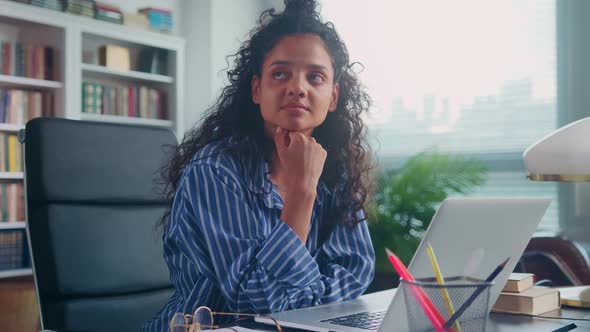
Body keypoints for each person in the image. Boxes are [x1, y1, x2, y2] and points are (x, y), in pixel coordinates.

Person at [143, 0, 375, 330]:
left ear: (334, 96)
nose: (297, 87)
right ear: (256, 89)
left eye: (315, 77)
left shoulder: (335, 171)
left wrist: (301, 302)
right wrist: (301, 193)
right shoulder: (215, 171)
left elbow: (354, 269)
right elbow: (256, 306)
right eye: (280, 74)